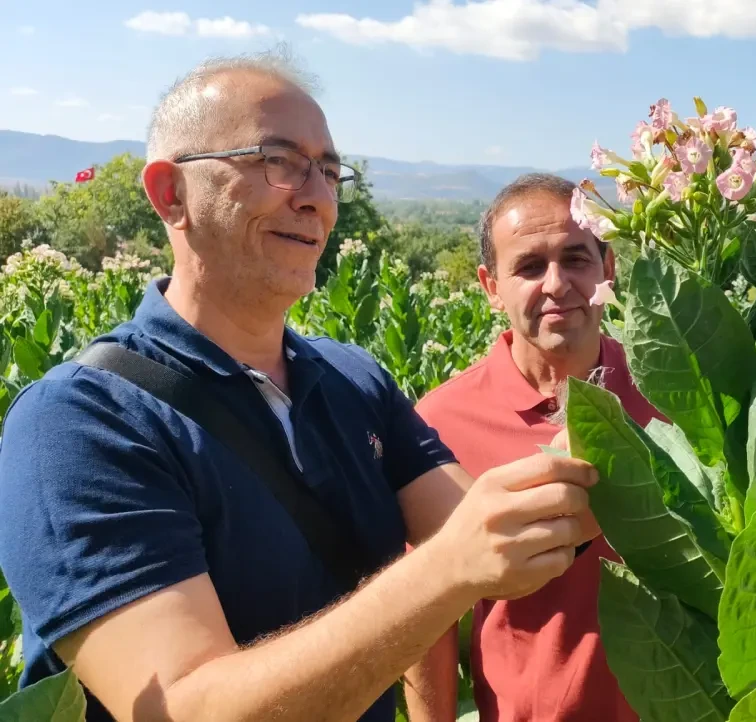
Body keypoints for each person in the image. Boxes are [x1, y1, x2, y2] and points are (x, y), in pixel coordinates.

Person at [0, 51, 599, 722]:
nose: (315, 196)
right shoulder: (81, 423)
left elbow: (514, 539)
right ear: (171, 194)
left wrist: (645, 436)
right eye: (276, 161)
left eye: (328, 169)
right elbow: (187, 711)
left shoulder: (353, 380)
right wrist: (447, 571)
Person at [409, 174, 658, 722]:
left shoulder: (672, 396)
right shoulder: (439, 424)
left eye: (576, 259)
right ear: (490, 285)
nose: (556, 283)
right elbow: (429, 620)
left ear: (607, 269)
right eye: (528, 266)